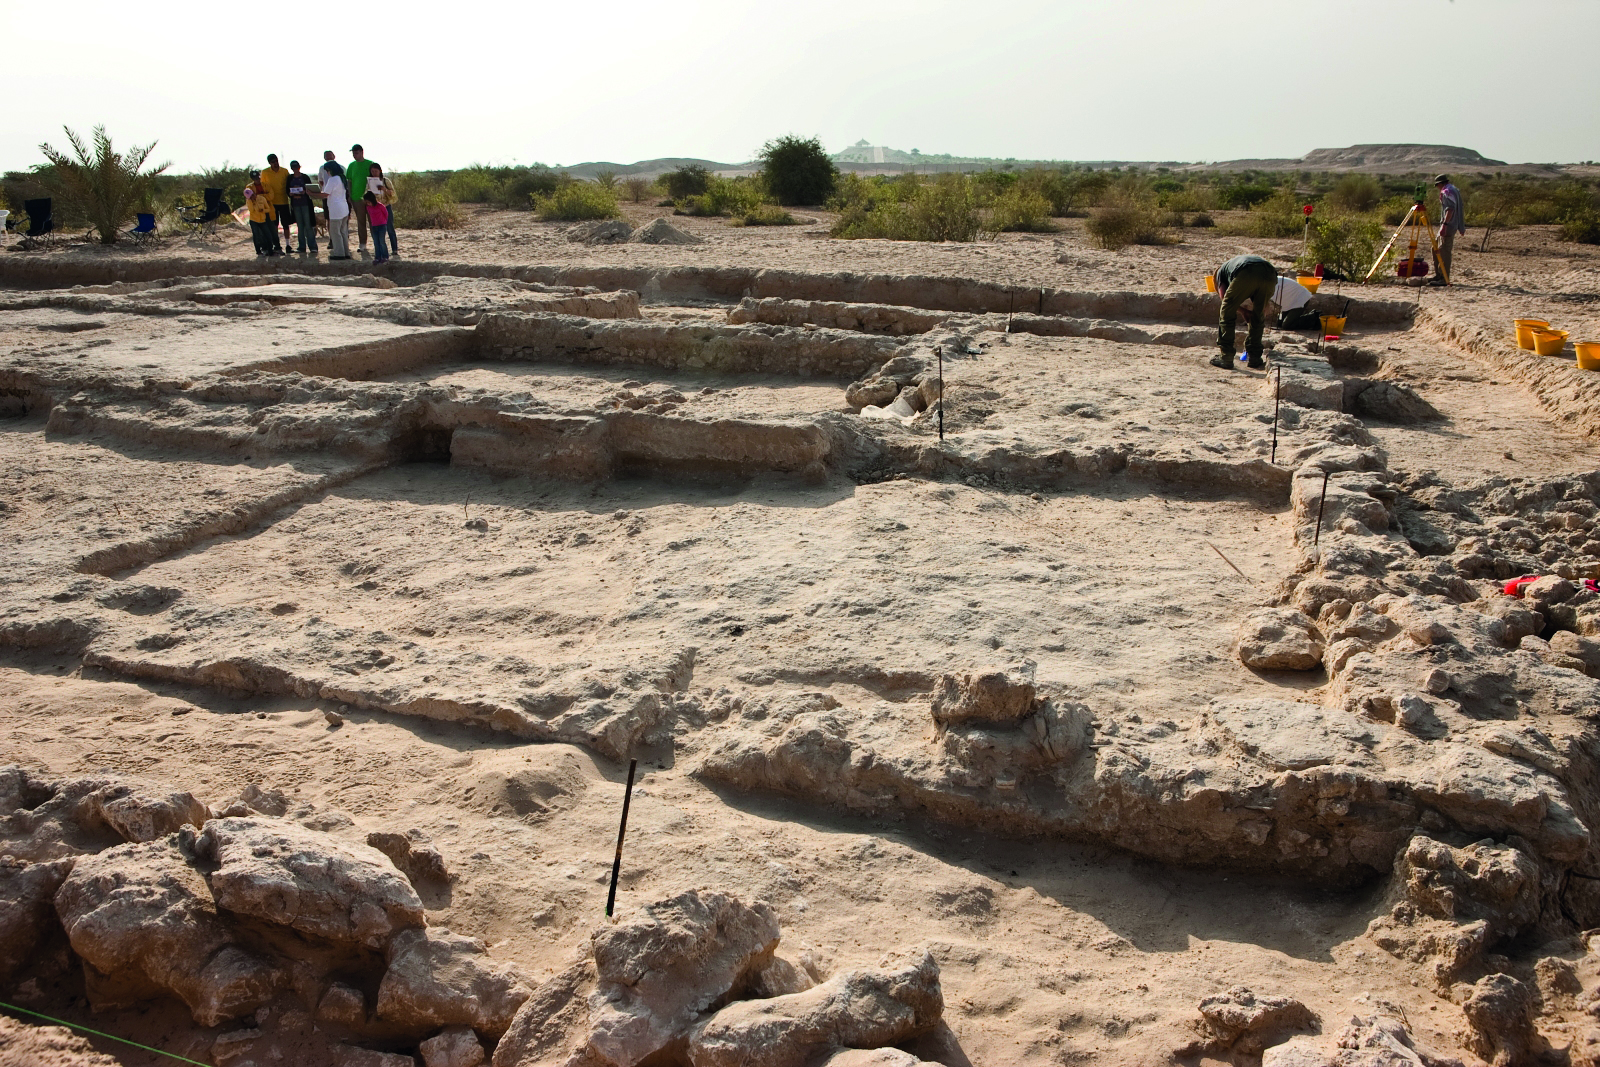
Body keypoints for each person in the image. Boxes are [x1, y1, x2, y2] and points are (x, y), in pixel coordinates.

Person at [1209, 254, 1277, 369]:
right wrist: (1244, 311)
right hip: (1270, 273)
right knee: (1258, 315)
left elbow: (1225, 299)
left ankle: (1226, 357)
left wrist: (1242, 311)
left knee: (1226, 312)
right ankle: (1254, 357)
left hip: (1247, 272)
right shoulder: (1232, 267)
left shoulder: (1220, 274)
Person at [314, 158, 352, 260]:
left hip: (336, 210)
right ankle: (346, 252)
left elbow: (325, 194)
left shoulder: (333, 179)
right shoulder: (342, 178)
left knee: (335, 232)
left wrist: (312, 194)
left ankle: (339, 253)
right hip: (344, 208)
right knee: (343, 231)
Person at [1431, 174, 1465, 286]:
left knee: (1444, 251)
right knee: (1435, 248)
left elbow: (1450, 210)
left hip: (1449, 225)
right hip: (1449, 224)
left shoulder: (1447, 192)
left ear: (1440, 184)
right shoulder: (1453, 189)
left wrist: (1444, 225)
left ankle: (1444, 278)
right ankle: (1439, 275)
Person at [346, 144, 376, 254]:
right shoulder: (351, 165)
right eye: (353, 153)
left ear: (362, 152)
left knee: (373, 221)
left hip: (370, 198)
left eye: (356, 153)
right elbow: (349, 181)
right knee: (361, 221)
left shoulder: (370, 164)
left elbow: (375, 178)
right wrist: (349, 194)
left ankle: (376, 242)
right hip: (356, 198)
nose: (354, 155)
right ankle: (362, 243)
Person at [285, 160, 318, 254]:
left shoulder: (305, 177)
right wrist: (290, 194)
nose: (295, 169)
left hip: (305, 204)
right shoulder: (290, 178)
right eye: (293, 168)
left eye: (296, 167)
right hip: (296, 205)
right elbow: (287, 190)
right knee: (300, 226)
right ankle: (301, 246)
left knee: (308, 225)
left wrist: (305, 192)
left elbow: (311, 189)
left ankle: (312, 246)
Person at [261, 154, 292, 252]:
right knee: (274, 225)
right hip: (272, 203)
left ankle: (288, 245)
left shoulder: (284, 171)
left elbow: (289, 184)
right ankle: (276, 245)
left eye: (276, 161)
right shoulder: (265, 172)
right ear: (270, 163)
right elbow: (263, 186)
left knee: (286, 224)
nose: (275, 163)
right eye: (273, 162)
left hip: (283, 201)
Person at [244, 173, 279, 257]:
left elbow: (271, 196)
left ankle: (276, 248)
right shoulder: (249, 188)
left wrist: (259, 196)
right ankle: (262, 250)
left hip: (266, 214)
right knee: (258, 235)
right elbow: (250, 204)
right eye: (255, 178)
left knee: (271, 231)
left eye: (258, 178)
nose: (257, 180)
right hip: (255, 218)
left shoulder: (266, 186)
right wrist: (257, 199)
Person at [368, 163, 399, 257]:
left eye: (376, 171)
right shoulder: (369, 182)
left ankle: (394, 249)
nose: (374, 173)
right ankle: (380, 249)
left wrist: (384, 189)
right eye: (372, 171)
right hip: (375, 208)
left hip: (386, 207)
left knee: (390, 228)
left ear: (380, 171)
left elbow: (393, 194)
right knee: (377, 229)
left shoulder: (386, 181)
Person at [365, 192, 391, 264]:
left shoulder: (380, 206)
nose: (368, 203)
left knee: (382, 241)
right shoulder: (368, 207)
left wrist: (384, 221)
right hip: (374, 226)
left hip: (382, 225)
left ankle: (385, 256)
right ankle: (377, 257)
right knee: (376, 242)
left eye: (368, 202)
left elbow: (386, 214)